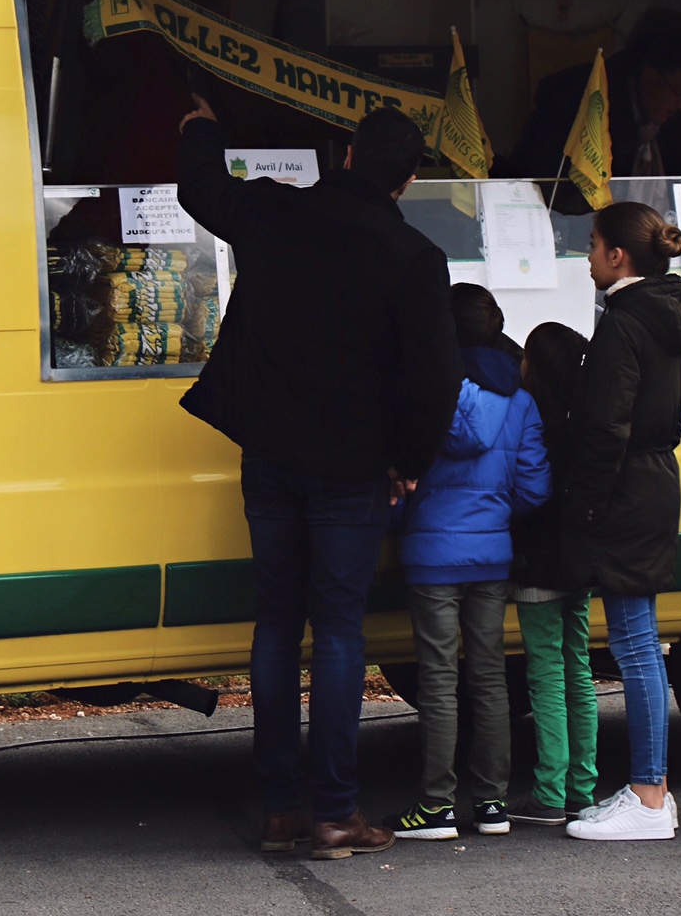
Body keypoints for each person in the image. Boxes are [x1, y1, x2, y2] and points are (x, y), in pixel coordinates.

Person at [176, 98, 462, 861]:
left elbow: (200, 190)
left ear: (343, 158)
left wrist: (204, 125)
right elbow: (438, 379)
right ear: (404, 182)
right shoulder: (413, 259)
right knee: (337, 632)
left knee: (274, 625)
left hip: (269, 456)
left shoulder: (273, 213)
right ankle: (335, 815)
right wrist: (409, 459)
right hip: (352, 469)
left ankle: (279, 809)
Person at [385, 284, 551, 841]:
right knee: (489, 679)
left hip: (431, 555)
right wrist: (496, 512)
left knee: (438, 681)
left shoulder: (426, 392)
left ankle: (436, 806)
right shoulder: (522, 401)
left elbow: (399, 476)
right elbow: (534, 487)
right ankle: (492, 804)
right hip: (491, 556)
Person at [562, 202, 681, 841]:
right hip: (656, 478)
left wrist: (585, 501)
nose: (589, 256)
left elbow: (605, 424)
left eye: (593, 245)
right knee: (638, 638)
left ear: (618, 255)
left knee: (636, 642)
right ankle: (650, 792)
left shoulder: (622, 323)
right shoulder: (672, 311)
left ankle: (649, 795)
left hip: (623, 486)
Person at [509, 320, 599, 827]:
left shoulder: (530, 418)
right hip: (579, 561)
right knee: (578, 666)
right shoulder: (585, 418)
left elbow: (523, 490)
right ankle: (582, 788)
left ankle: (548, 790)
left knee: (545, 673)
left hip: (537, 559)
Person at [502, 9, 681, 181]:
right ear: (651, 78)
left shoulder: (672, 117)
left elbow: (680, 172)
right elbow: (538, 181)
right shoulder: (573, 98)